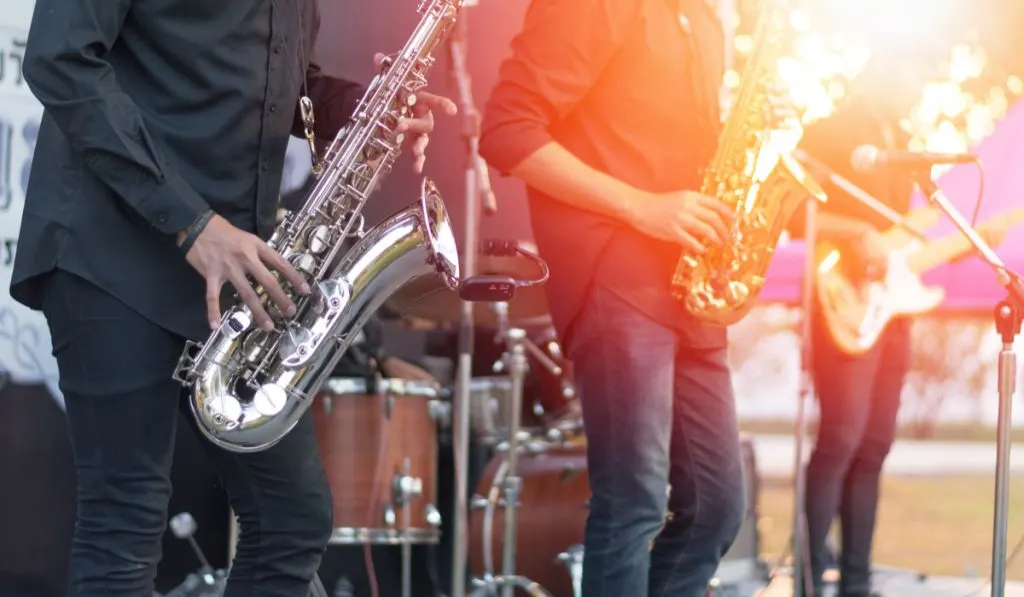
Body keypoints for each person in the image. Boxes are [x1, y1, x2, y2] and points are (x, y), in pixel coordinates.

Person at [10, 0, 456, 594]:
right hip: (109, 248)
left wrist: (354, 106)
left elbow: (275, 81)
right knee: (125, 522)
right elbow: (60, 60)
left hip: (232, 269)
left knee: (291, 519)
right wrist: (194, 225)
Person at [478, 1, 745, 595]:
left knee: (716, 506)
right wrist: (644, 207)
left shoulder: (702, 16)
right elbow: (505, 130)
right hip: (618, 278)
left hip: (691, 282)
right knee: (634, 507)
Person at [792, 53, 1007, 596]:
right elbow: (793, 212)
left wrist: (958, 250)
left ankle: (857, 580)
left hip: (892, 307)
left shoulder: (903, 137)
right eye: (912, 70)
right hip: (840, 298)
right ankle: (811, 576)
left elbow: (907, 240)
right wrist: (856, 233)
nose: (921, 81)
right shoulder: (834, 130)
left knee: (875, 443)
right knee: (839, 439)